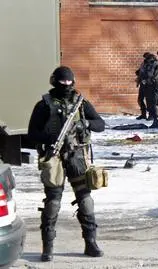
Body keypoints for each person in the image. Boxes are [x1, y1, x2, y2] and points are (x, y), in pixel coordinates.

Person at [27, 66, 105, 262]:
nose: (67, 86)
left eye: (70, 83)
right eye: (63, 83)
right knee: (53, 201)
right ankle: (48, 247)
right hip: (54, 157)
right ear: (55, 82)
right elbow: (32, 133)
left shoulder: (80, 103)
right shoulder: (44, 105)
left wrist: (85, 124)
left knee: (85, 200)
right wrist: (49, 137)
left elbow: (100, 124)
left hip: (77, 156)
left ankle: (91, 243)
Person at [139, 53, 158, 128]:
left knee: (152, 103)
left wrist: (146, 80)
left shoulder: (152, 64)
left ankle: (155, 118)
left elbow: (150, 74)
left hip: (153, 86)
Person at [134, 52, 150, 120]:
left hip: (148, 85)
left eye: (146, 57)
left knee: (148, 100)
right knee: (140, 99)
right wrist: (138, 72)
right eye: (144, 57)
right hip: (142, 84)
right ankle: (143, 114)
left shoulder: (150, 64)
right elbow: (141, 71)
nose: (145, 58)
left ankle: (151, 115)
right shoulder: (143, 63)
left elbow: (149, 73)